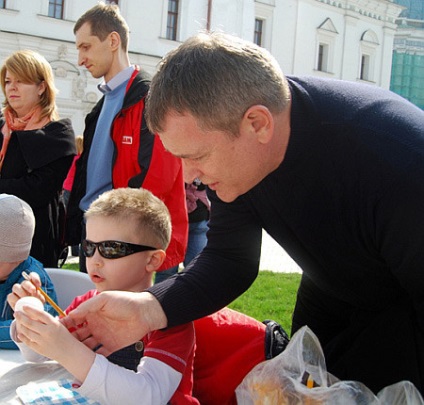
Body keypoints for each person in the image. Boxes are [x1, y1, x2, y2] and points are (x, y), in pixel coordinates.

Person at [62, 31, 424, 395]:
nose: (190, 177)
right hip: (332, 289)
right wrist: (147, 309)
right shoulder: (240, 154)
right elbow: (230, 260)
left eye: (196, 156)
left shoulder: (396, 162)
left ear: (257, 123)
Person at [8, 187, 198, 404]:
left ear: (152, 260)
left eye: (111, 249)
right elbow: (39, 356)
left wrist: (67, 349)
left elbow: (149, 397)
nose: (94, 260)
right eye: (89, 247)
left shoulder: (168, 321)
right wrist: (29, 316)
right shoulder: (88, 302)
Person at [65, 2, 187, 273]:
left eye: (86, 47)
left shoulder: (149, 96)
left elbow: (159, 176)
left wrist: (123, 230)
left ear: (112, 40)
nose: (80, 59)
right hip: (97, 233)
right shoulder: (102, 104)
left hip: (126, 237)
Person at [0, 50, 76, 267]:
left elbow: (36, 190)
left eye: (21, 81)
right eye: (7, 81)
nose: (11, 87)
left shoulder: (58, 134)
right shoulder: (1, 126)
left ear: (41, 87)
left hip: (34, 240)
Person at [0, 194, 58, 349]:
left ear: (18, 258)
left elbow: (40, 328)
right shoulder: (7, 266)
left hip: (25, 365)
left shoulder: (33, 281)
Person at [155, 178, 210, 283]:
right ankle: (163, 299)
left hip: (198, 221)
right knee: (168, 271)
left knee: (197, 270)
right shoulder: (172, 162)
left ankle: (192, 299)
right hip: (174, 223)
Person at [62, 135, 83, 257]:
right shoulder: (81, 160)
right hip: (77, 191)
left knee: (67, 218)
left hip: (67, 189)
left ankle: (72, 248)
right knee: (77, 218)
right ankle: (76, 250)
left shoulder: (72, 159)